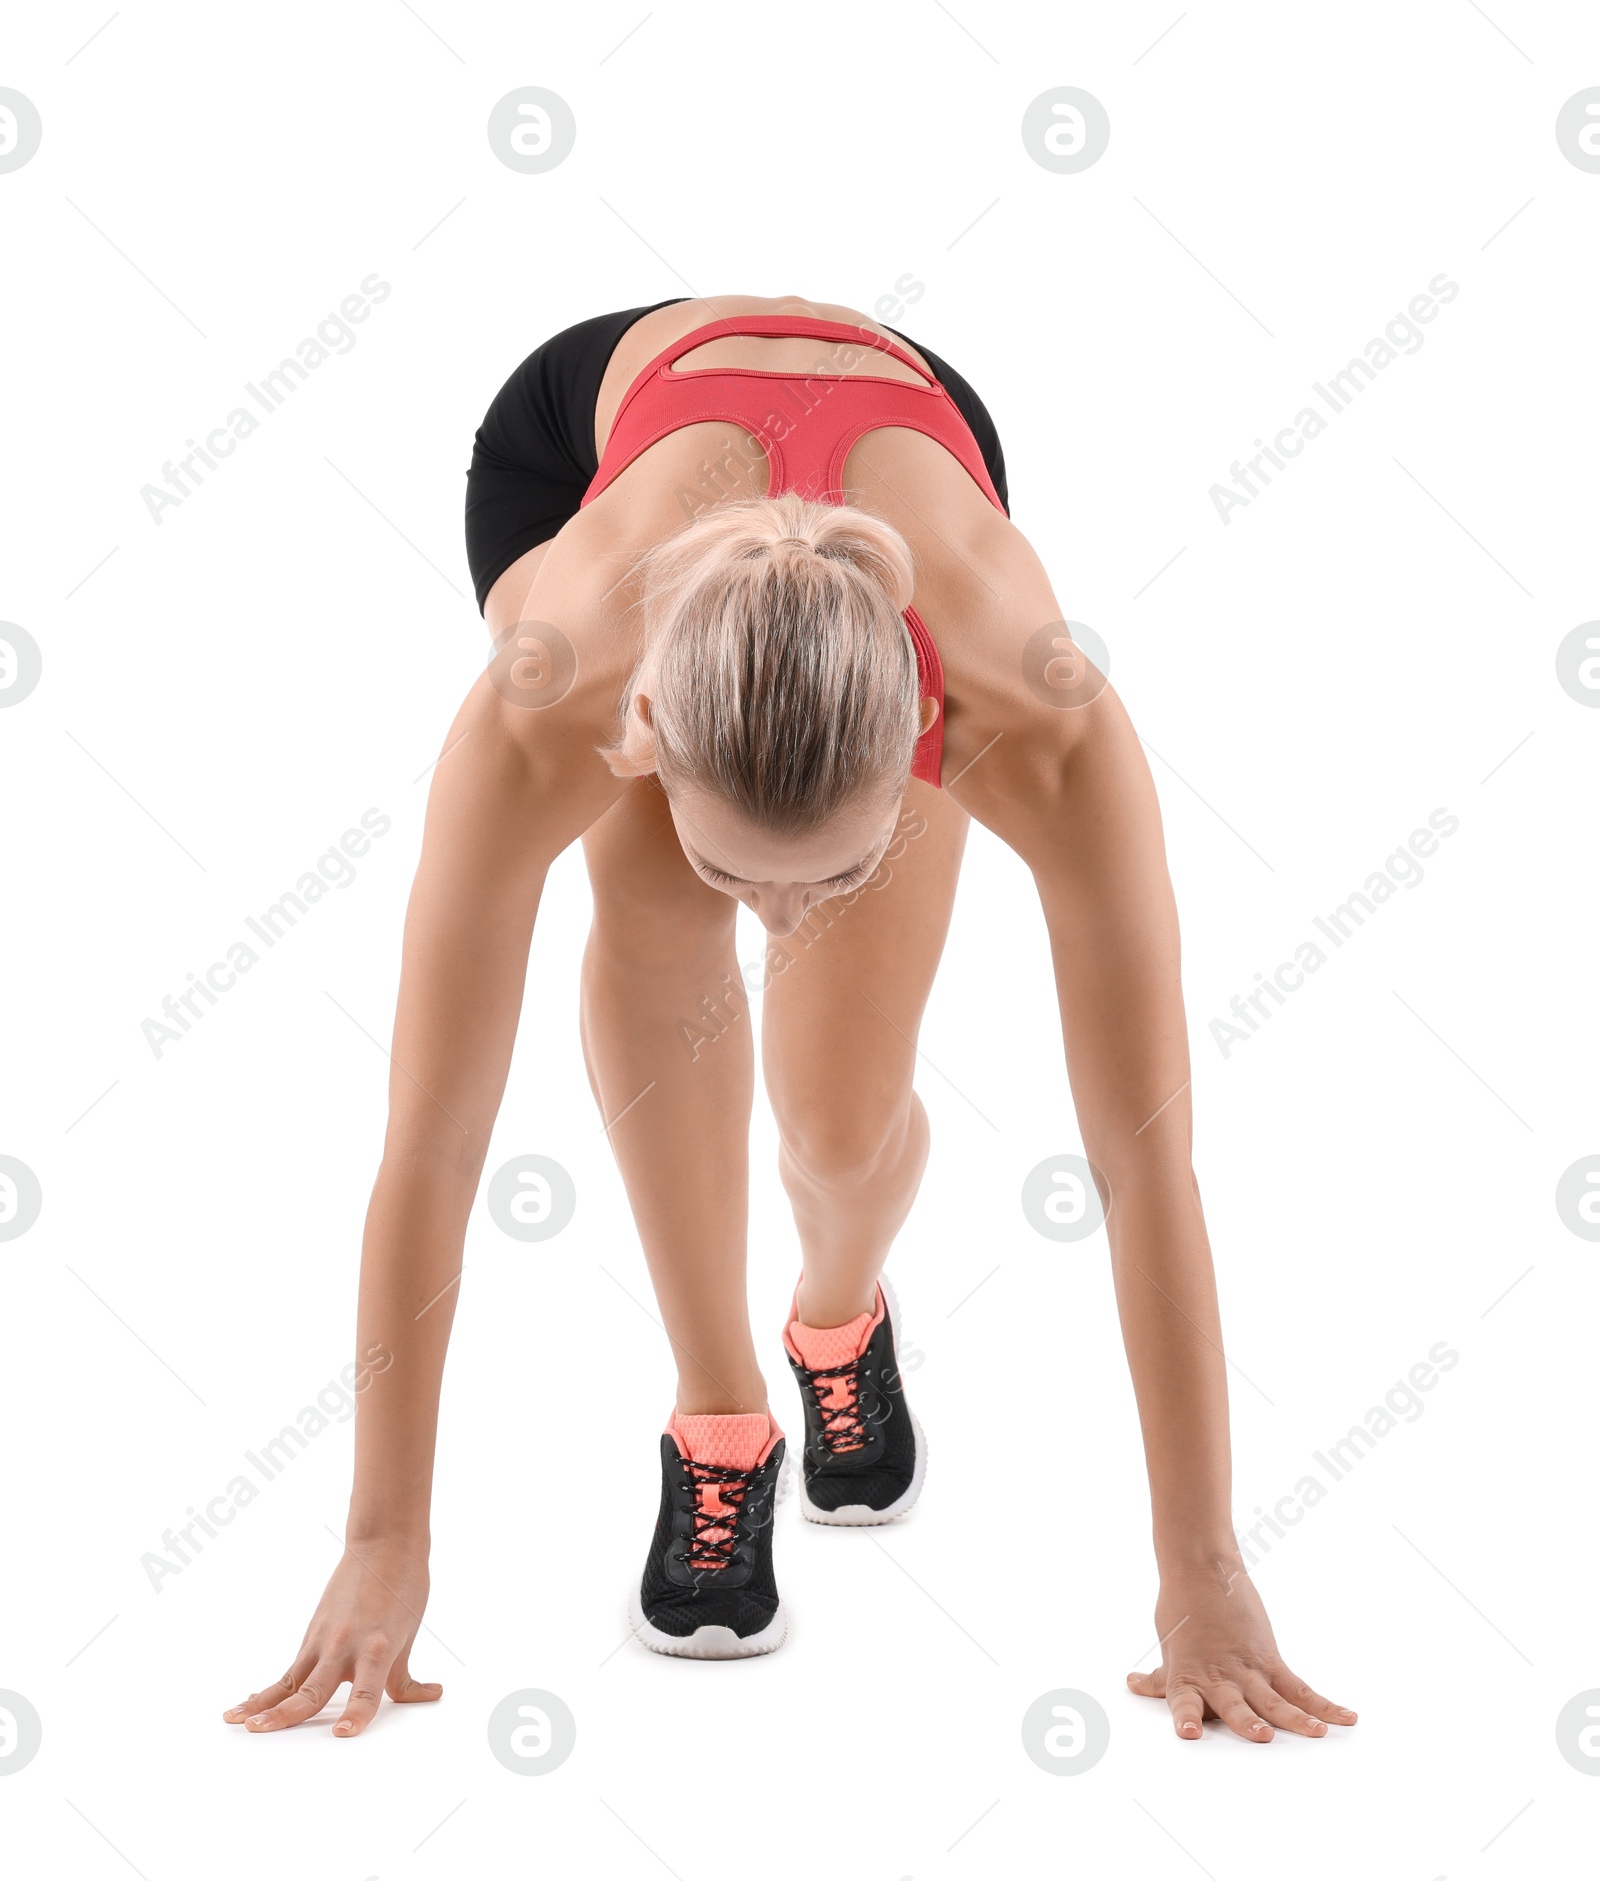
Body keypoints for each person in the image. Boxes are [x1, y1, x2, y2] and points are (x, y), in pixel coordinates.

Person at [223, 295, 1356, 1740]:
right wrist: (386, 1541)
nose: (771, 919)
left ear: (923, 756)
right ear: (640, 732)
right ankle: (720, 1421)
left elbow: (1146, 1164)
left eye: (818, 875)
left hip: (902, 429)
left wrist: (1202, 1569)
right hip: (581, 442)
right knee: (646, 911)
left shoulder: (1038, 705)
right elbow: (433, 1145)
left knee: (837, 1122)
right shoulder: (552, 688)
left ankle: (840, 1321)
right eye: (733, 867)